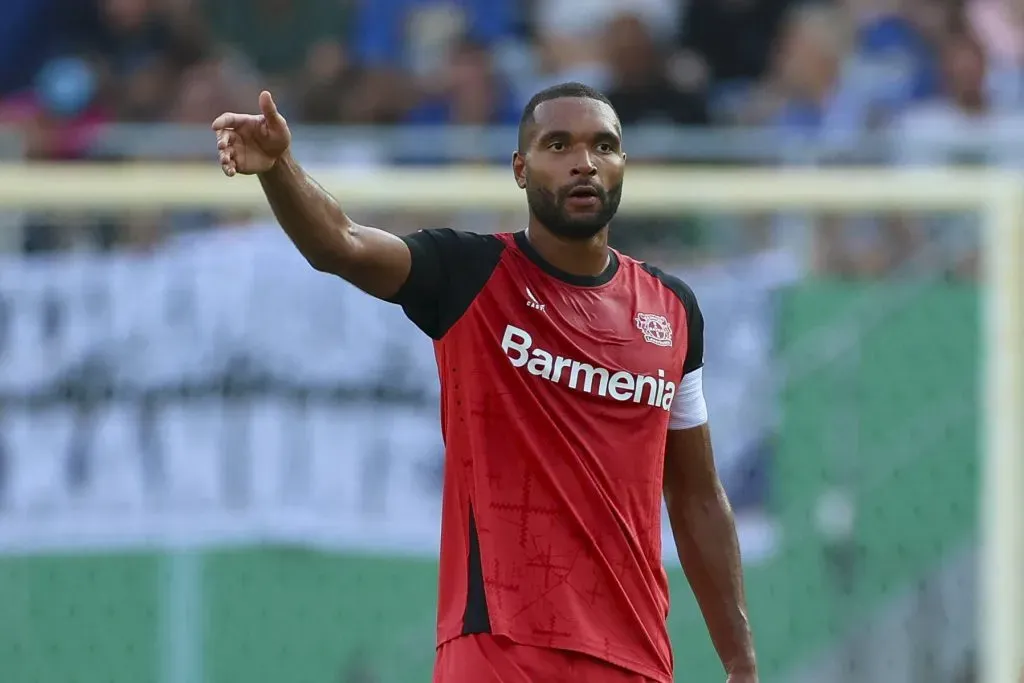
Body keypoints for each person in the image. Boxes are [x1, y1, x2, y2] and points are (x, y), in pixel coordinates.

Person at [212, 81, 757, 683]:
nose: (584, 162)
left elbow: (697, 496)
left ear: (623, 165)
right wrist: (279, 168)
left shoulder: (674, 311)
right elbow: (340, 244)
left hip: (635, 658)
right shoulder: (470, 274)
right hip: (499, 650)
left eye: (604, 146)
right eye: (559, 145)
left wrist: (740, 661)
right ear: (520, 170)